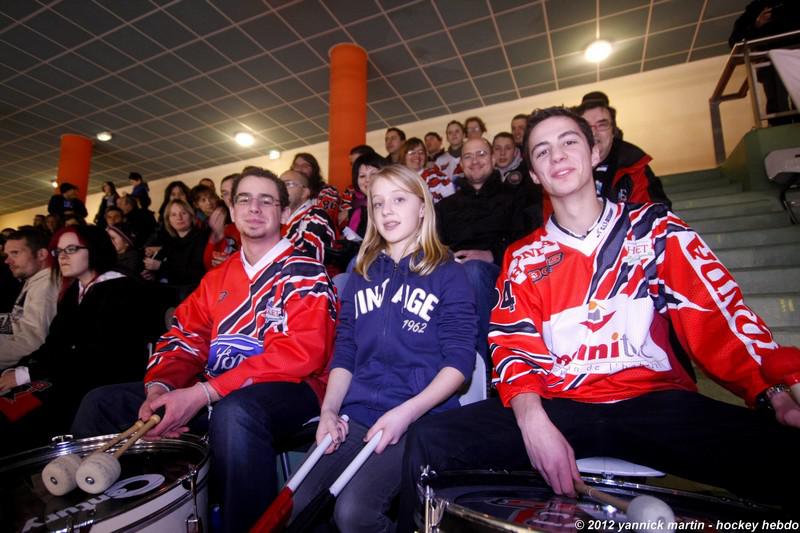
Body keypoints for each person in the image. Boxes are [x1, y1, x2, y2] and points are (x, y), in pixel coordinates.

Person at [397, 107, 800, 531]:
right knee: (430, 439)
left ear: (593, 153)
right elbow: (512, 346)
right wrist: (533, 423)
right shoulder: (523, 256)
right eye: (542, 151)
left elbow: (718, 315)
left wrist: (772, 388)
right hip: (560, 405)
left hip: (652, 401)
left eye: (569, 142)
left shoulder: (656, 229)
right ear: (533, 174)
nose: (558, 156)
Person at [71, 168, 337, 533]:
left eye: (267, 200)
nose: (254, 208)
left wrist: (201, 395)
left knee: (235, 412)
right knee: (101, 402)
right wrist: (160, 388)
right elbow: (185, 337)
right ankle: (132, 521)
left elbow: (301, 355)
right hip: (213, 392)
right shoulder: (216, 278)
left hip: (294, 390)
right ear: (231, 209)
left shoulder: (306, 271)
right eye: (245, 199)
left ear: (285, 213)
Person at [288, 164, 476, 533]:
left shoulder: (449, 273)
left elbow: (459, 364)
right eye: (377, 203)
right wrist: (328, 411)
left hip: (419, 419)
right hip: (356, 415)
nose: (387, 211)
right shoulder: (362, 274)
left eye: (399, 199)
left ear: (423, 206)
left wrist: (406, 413)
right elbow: (345, 353)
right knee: (295, 505)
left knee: (354, 513)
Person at [0, 226, 151, 456]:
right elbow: (55, 343)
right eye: (58, 250)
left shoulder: (119, 288)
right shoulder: (75, 291)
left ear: (94, 249)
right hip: (72, 377)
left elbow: (96, 356)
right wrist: (20, 368)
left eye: (71, 249)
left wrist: (26, 375)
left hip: (101, 384)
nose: (62, 256)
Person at [577, 99, 670, 208]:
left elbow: (658, 216)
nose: (594, 132)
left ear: (613, 132)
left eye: (602, 125)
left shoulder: (635, 169)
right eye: (586, 127)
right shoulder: (561, 169)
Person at [729, 0, 800, 126]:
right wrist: (757, 24)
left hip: (795, 57)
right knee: (778, 104)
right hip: (771, 64)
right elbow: (735, 41)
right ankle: (780, 129)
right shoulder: (755, 9)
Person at [0, 227, 58, 369]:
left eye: (15, 253)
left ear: (41, 254)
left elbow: (33, 343)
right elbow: (19, 321)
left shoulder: (46, 286)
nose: (7, 261)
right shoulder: (35, 279)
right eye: (7, 254)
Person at [142, 199, 208, 304]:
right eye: (173, 215)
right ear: (168, 220)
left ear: (191, 216)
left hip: (193, 294)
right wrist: (153, 274)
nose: (179, 218)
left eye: (183, 213)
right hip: (171, 292)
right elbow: (162, 267)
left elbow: (197, 273)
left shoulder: (201, 238)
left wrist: (161, 266)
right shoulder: (170, 242)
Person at [279, 170, 335, 263]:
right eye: (279, 185)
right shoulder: (278, 218)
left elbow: (311, 267)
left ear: (305, 192)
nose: (281, 189)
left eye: (288, 184)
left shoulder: (316, 218)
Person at [204, 173, 241, 270]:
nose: (229, 197)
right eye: (225, 193)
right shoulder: (227, 228)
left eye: (234, 190)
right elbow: (208, 265)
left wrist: (232, 263)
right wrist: (215, 237)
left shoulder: (262, 223)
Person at [400, 137, 454, 203]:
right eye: (412, 152)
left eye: (421, 152)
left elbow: (452, 204)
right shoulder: (397, 181)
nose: (417, 155)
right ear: (404, 156)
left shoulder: (438, 177)